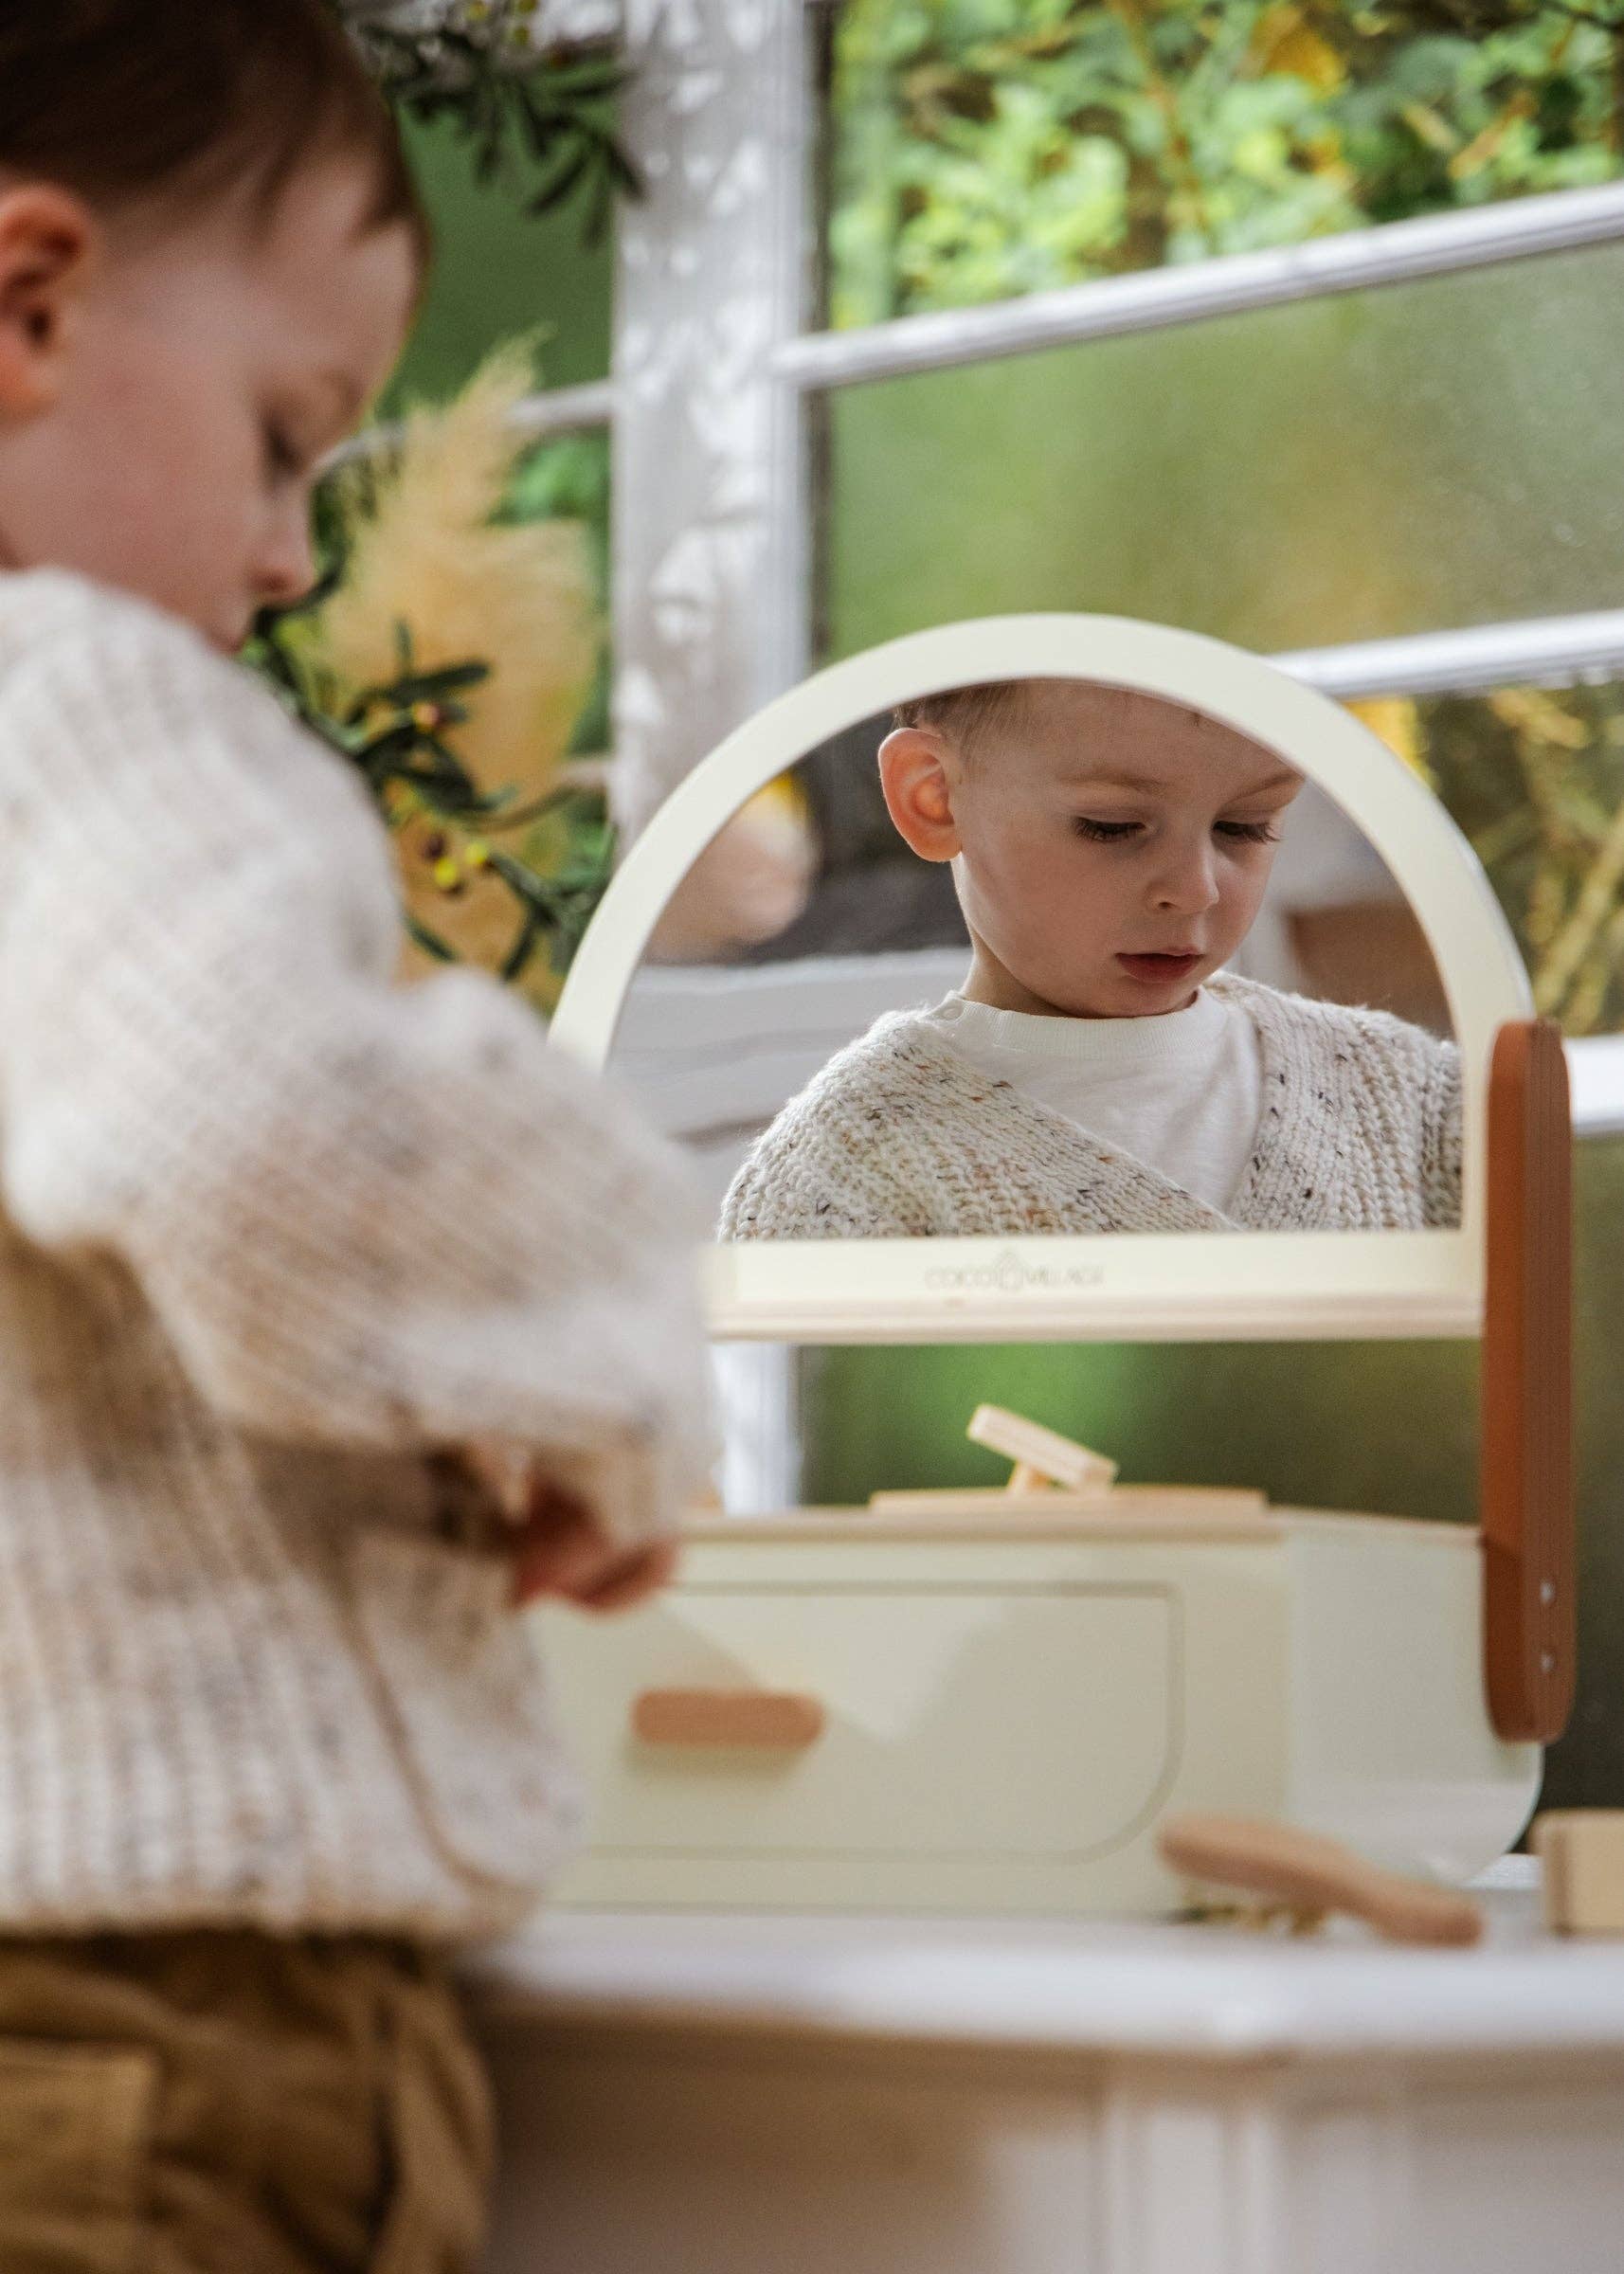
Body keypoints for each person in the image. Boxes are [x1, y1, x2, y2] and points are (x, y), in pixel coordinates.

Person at [0, 5, 711, 2266]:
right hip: (144, 2029)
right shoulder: (79, 702)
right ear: (29, 302)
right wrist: (604, 1374)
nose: (291, 550)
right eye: (284, 435)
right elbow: (257, 1129)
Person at [721, 677, 1461, 1239]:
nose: (1195, 890)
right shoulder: (838, 1167)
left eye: (1245, 826)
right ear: (933, 795)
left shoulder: (1411, 1092)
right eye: (1111, 828)